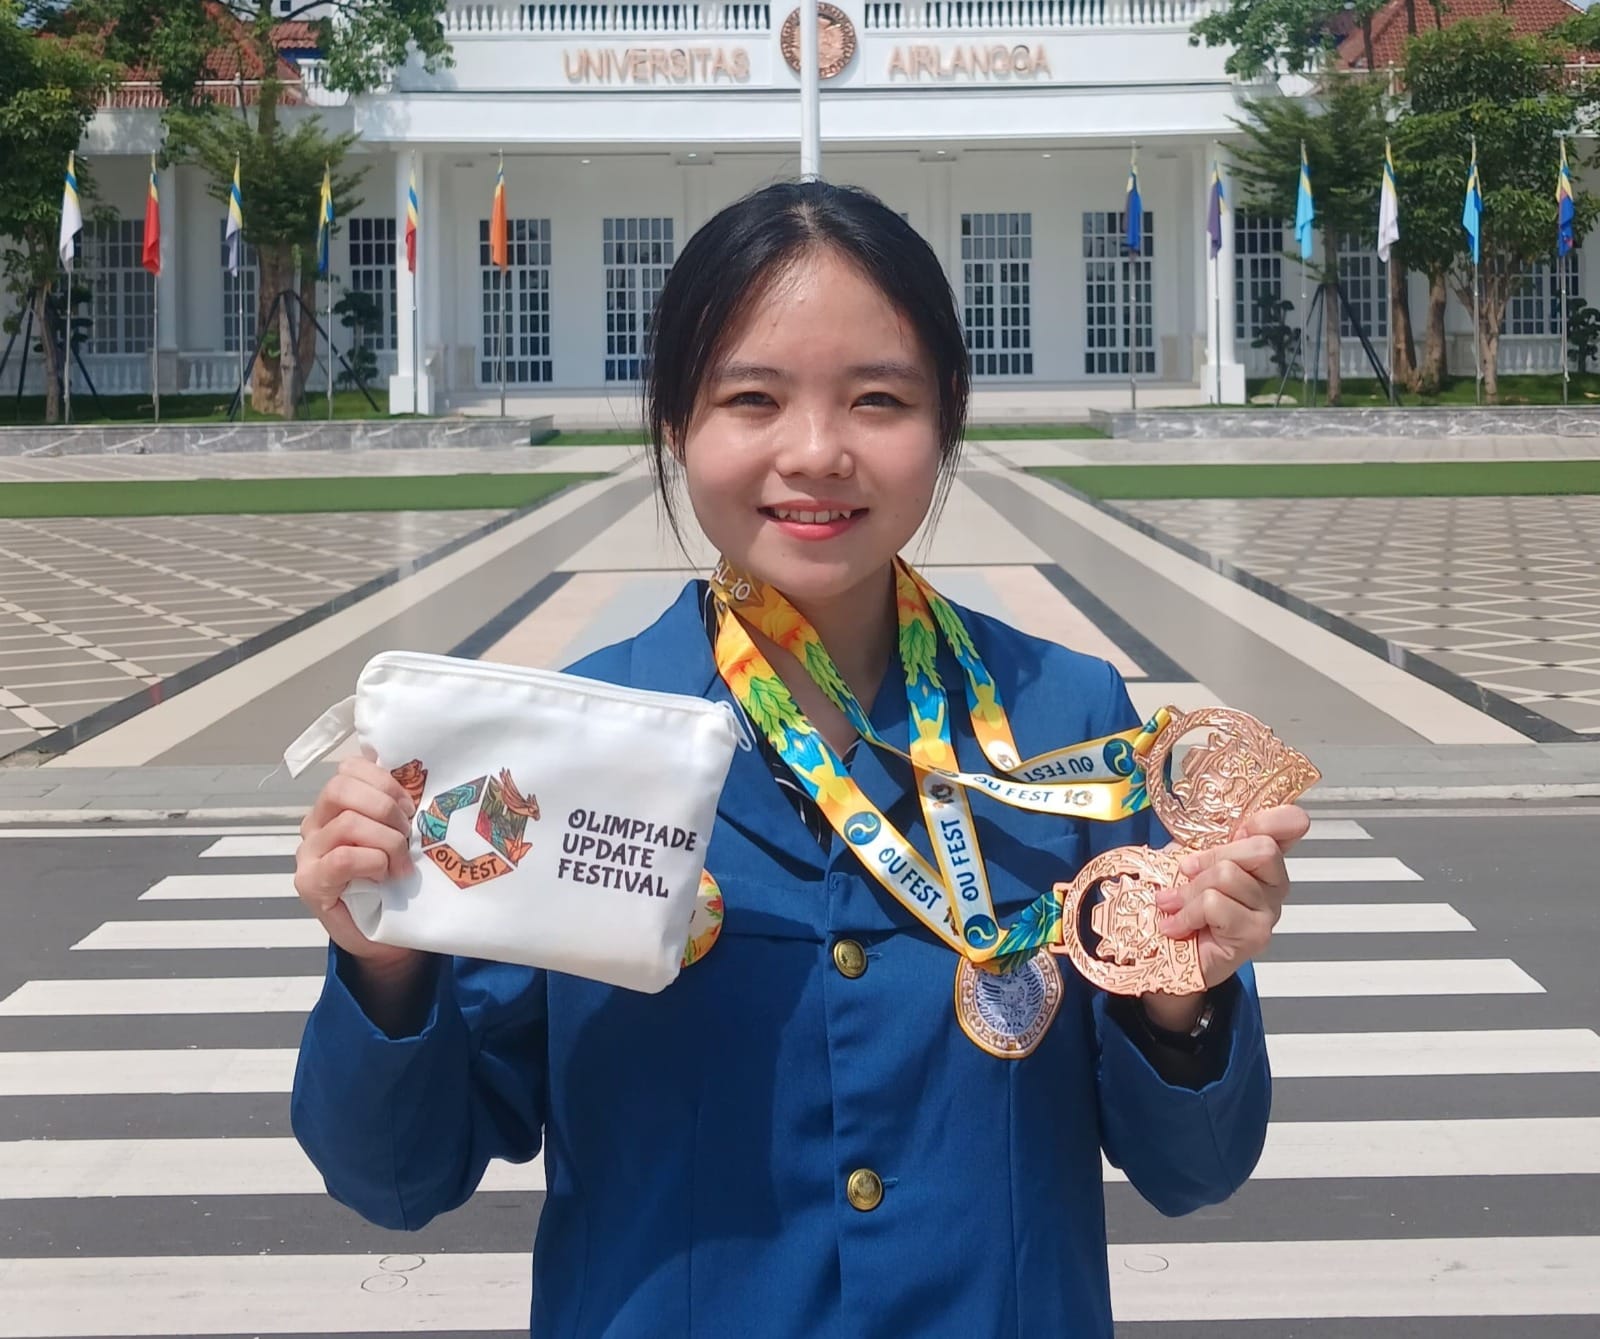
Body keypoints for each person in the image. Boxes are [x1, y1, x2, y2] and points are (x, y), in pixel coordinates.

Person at [290, 180, 1309, 1338]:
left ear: (947, 419)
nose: (816, 452)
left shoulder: (1069, 718)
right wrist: (381, 964)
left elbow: (1196, 1169)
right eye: (753, 398)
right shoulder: (567, 746)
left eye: (878, 399)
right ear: (678, 422)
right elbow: (399, 1178)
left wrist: (1183, 996)